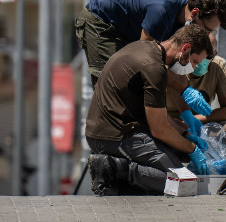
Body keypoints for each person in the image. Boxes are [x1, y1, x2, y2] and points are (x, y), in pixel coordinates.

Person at [74, 0, 226, 136]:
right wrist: (183, 90)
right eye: (207, 30)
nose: (206, 35)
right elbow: (145, 62)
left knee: (137, 87)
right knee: (113, 86)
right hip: (102, 22)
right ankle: (109, 142)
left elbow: (177, 70)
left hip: (127, 29)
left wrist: (187, 115)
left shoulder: (184, 22)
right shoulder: (161, 12)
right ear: (195, 13)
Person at [85, 24, 213, 196]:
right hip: (113, 136)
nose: (193, 67)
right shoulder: (154, 68)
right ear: (185, 49)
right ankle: (114, 169)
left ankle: (128, 180)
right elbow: (159, 129)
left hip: (113, 129)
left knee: (177, 153)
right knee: (184, 183)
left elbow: (159, 115)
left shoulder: (146, 47)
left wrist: (186, 135)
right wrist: (192, 149)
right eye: (195, 61)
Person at [167, 33, 226, 138]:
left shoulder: (217, 66)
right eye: (198, 55)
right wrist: (181, 123)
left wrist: (194, 120)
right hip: (171, 124)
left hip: (201, 123)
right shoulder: (175, 65)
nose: (201, 60)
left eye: (208, 56)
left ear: (215, 54)